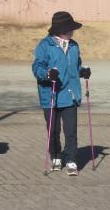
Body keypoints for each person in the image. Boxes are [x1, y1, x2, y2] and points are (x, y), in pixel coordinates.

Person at [31, 11, 91, 176]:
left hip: (70, 95)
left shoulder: (74, 45)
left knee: (71, 130)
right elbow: (37, 67)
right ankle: (56, 156)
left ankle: (71, 159)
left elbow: (75, 67)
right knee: (53, 130)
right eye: (70, 28)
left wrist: (83, 71)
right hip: (51, 95)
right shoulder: (45, 45)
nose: (72, 32)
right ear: (60, 29)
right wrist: (48, 74)